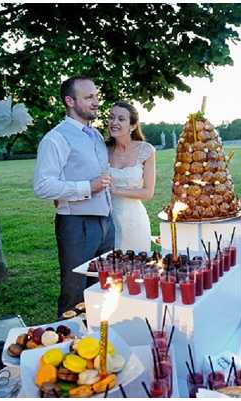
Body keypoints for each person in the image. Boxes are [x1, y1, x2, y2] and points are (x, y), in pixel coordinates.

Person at [33, 76, 115, 317]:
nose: (96, 102)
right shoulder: (55, 138)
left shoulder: (97, 135)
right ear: (69, 101)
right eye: (89, 97)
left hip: (105, 223)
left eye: (96, 96)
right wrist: (87, 187)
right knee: (74, 292)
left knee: (102, 288)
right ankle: (70, 348)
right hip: (76, 225)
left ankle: (99, 344)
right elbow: (42, 186)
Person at [106, 101, 156, 253]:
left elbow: (148, 193)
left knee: (136, 269)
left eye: (121, 119)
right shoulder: (102, 149)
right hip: (107, 220)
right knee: (110, 270)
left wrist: (116, 190)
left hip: (135, 220)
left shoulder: (146, 150)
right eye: (111, 117)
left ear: (133, 126)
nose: (114, 122)